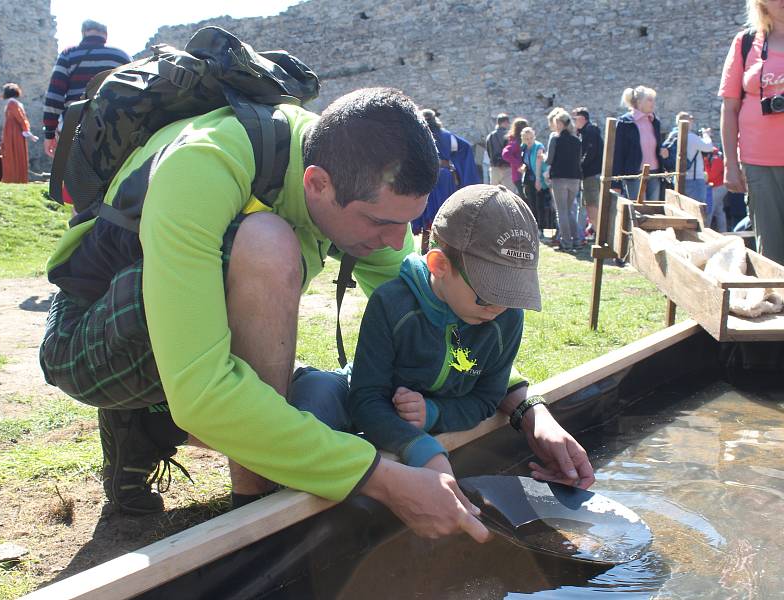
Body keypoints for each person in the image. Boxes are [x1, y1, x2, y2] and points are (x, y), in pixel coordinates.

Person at [39, 87, 490, 543]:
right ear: (317, 183)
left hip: (181, 337)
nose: (397, 242)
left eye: (408, 222)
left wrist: (522, 405)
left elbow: (430, 303)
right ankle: (255, 510)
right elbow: (203, 393)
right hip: (85, 340)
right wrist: (383, 480)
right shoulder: (204, 164)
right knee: (268, 243)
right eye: (380, 223)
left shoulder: (350, 176)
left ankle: (148, 423)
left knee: (317, 403)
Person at [347, 184, 595, 487]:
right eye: (487, 295)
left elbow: (486, 399)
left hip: (431, 421)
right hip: (376, 426)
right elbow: (365, 399)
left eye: (511, 295)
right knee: (317, 393)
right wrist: (423, 449)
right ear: (439, 265)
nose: (498, 310)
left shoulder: (506, 318)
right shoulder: (391, 305)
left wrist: (435, 413)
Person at [720, 0, 784, 265]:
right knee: (771, 252)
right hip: (759, 162)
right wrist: (730, 164)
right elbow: (729, 107)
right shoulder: (746, 42)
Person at [42, 19, 131, 159]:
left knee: (73, 175)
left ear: (83, 32)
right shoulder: (121, 57)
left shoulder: (69, 55)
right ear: (105, 35)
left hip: (76, 125)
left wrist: (49, 133)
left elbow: (54, 96)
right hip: (114, 127)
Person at [412, 109, 479, 254]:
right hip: (444, 177)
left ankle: (427, 247)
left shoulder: (419, 136)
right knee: (442, 211)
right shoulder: (447, 136)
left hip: (428, 175)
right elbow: (465, 146)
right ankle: (441, 246)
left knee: (428, 210)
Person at [612, 85, 669, 201]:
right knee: (638, 212)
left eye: (653, 100)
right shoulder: (625, 122)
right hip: (634, 175)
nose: (653, 103)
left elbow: (654, 146)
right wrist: (615, 183)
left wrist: (663, 152)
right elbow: (617, 153)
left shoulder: (654, 122)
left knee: (654, 210)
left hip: (655, 174)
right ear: (639, 102)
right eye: (649, 100)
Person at [546, 109, 583, 251]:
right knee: (569, 211)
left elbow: (550, 160)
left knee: (562, 211)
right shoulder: (576, 140)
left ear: (561, 124)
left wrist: (543, 158)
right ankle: (577, 240)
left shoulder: (555, 138)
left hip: (559, 177)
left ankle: (566, 242)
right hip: (574, 178)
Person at [666, 112, 716, 204]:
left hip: (677, 179)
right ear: (687, 122)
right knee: (698, 211)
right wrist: (706, 134)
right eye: (691, 120)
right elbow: (708, 147)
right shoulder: (691, 137)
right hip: (694, 179)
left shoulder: (672, 136)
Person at [572, 107, 603, 241]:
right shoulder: (587, 131)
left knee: (592, 206)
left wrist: (580, 166)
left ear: (582, 119)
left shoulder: (589, 131)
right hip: (591, 173)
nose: (574, 122)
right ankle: (597, 233)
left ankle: (600, 236)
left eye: (576, 119)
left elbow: (589, 153)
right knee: (590, 206)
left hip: (591, 174)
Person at [0, 83, 38, 184]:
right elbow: (21, 118)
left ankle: (14, 178)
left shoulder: (12, 103)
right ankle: (16, 178)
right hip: (13, 131)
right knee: (15, 153)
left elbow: (20, 118)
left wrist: (27, 132)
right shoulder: (14, 103)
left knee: (13, 154)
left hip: (13, 133)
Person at [485, 114, 515, 193]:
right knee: (509, 194)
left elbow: (488, 152)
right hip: (507, 168)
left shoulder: (490, 136)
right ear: (505, 122)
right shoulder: (509, 135)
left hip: (494, 168)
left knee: (494, 194)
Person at [501, 118, 529, 197]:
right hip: (519, 176)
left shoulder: (522, 141)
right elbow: (505, 154)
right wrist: (519, 165)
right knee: (526, 199)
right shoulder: (516, 142)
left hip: (524, 175)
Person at [704, 148, 729, 232]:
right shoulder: (712, 156)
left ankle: (705, 232)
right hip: (717, 186)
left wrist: (706, 163)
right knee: (719, 211)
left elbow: (712, 176)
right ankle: (723, 232)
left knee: (709, 210)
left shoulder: (716, 157)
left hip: (719, 187)